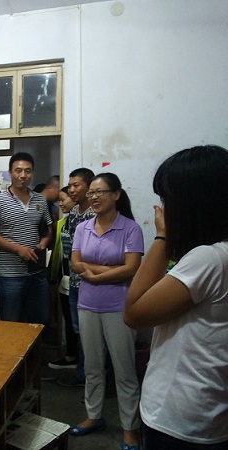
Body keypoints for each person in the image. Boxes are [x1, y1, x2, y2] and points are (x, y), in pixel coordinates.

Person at [124, 145, 228, 450]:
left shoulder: (209, 259)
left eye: (167, 200)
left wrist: (162, 237)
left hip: (180, 416)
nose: (163, 209)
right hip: (207, 410)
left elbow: (134, 313)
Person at [68, 173, 143, 450]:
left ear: (116, 195)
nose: (94, 197)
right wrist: (110, 271)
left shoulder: (130, 228)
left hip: (118, 306)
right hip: (87, 304)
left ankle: (130, 428)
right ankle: (93, 416)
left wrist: (95, 275)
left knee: (124, 370)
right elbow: (75, 262)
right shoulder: (83, 227)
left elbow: (132, 268)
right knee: (93, 366)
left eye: (100, 192)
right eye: (92, 193)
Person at [0, 152, 53, 325]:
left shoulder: (40, 200)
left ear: (32, 173)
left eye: (28, 171)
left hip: (37, 273)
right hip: (10, 275)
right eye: (18, 170)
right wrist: (17, 249)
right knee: (12, 324)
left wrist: (44, 242)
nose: (23, 175)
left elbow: (48, 229)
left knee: (39, 322)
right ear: (10, 173)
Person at [55, 167, 96, 386]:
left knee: (92, 333)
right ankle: (83, 374)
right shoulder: (73, 215)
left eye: (76, 185)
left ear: (89, 187)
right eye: (69, 185)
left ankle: (91, 377)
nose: (71, 190)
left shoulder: (96, 215)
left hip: (92, 282)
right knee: (79, 330)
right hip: (73, 281)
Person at [48, 186, 78, 370]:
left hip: (79, 281)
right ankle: (71, 355)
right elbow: (59, 253)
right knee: (68, 319)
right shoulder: (63, 223)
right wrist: (54, 276)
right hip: (64, 279)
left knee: (78, 323)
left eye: (63, 199)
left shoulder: (85, 222)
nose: (60, 203)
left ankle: (78, 358)